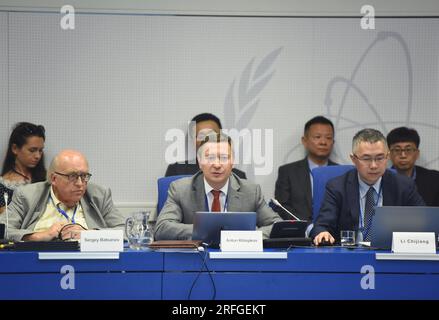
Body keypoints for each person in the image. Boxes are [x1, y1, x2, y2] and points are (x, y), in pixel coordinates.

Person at [155, 133, 281, 240]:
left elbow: (277, 225)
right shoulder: (180, 189)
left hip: (237, 260)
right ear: (199, 162)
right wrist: (207, 231)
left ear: (233, 162)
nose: (217, 164)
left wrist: (243, 237)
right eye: (210, 158)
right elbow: (162, 228)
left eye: (224, 158)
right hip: (195, 261)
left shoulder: (251, 191)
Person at [310, 128, 425, 246]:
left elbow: (424, 222)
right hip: (350, 256)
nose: (374, 165)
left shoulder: (404, 186)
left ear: (388, 156)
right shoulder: (337, 187)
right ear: (353, 159)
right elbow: (322, 225)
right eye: (366, 159)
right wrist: (323, 232)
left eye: (380, 158)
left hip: (388, 254)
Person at [0, 149, 125, 242]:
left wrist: (90, 235)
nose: (80, 184)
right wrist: (39, 236)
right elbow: (3, 229)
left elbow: (126, 231)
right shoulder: (27, 195)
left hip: (90, 264)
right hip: (41, 264)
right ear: (54, 178)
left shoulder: (99, 195)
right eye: (73, 176)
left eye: (84, 176)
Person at [275, 116, 337, 221]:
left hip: (334, 233)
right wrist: (308, 227)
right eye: (317, 137)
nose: (323, 142)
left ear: (333, 142)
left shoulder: (343, 173)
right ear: (304, 141)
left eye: (328, 138)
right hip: (300, 233)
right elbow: (282, 207)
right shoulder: (288, 172)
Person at [165, 113, 246, 179]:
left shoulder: (238, 177)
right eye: (201, 136)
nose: (207, 139)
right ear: (193, 140)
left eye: (212, 134)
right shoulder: (176, 171)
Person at [0, 122, 46, 213]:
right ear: (15, 149)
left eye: (40, 150)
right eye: (32, 150)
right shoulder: (3, 186)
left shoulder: (46, 179)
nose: (37, 156)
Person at [387, 127, 439, 206]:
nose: (403, 155)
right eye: (397, 150)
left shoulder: (435, 179)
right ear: (389, 154)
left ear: (417, 154)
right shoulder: (379, 179)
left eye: (408, 150)